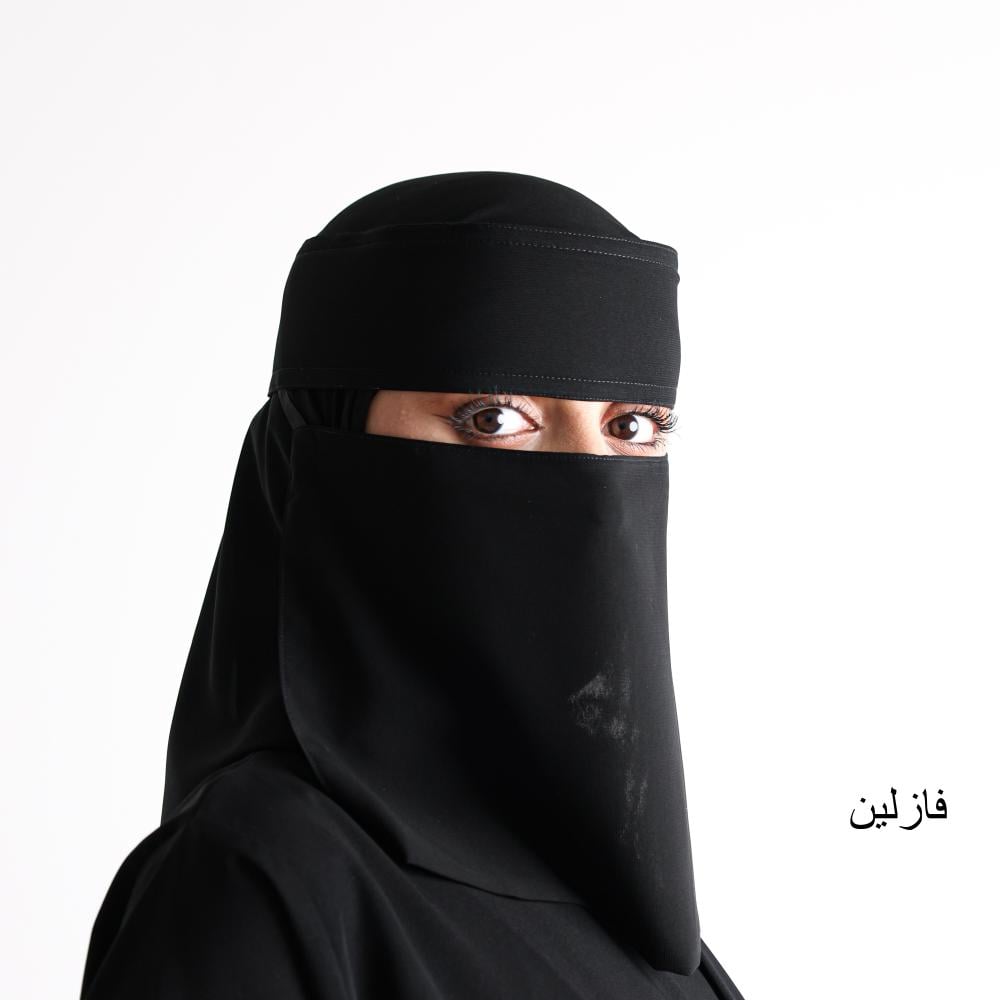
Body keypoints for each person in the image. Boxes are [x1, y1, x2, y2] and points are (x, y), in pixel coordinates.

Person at [79, 171, 746, 999]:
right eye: (493, 417)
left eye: (632, 426)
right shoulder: (261, 879)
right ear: (328, 437)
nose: (590, 482)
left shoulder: (629, 913)